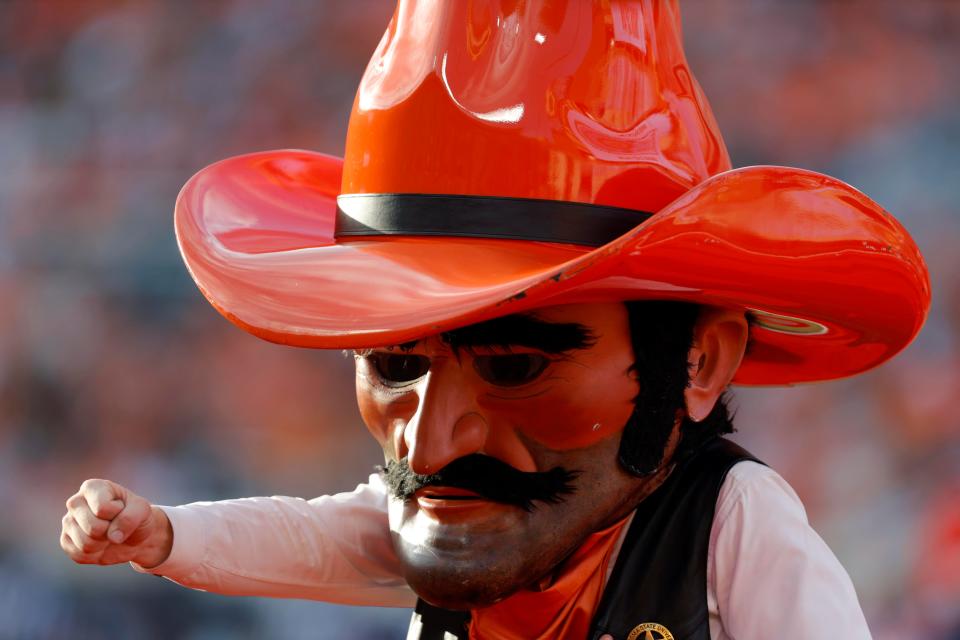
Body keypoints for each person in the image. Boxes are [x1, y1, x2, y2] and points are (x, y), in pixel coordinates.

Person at [60, 1, 930, 638]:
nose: (434, 442)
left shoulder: (730, 519)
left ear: (698, 362)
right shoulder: (443, 516)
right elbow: (319, 536)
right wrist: (165, 534)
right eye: (396, 365)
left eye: (515, 367)